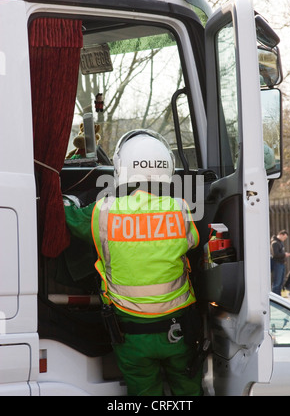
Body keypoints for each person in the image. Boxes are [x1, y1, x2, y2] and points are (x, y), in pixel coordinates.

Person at [64, 129, 203, 396]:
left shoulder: (103, 211)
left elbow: (68, 217)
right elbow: (197, 244)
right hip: (179, 331)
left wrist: (67, 200)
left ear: (120, 168)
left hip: (130, 336)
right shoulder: (181, 209)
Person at [270, 230, 290, 295]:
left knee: (280, 282)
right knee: (277, 282)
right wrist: (284, 255)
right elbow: (275, 254)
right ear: (281, 235)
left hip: (281, 264)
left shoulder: (280, 243)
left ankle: (278, 296)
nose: (285, 239)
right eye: (284, 237)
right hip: (277, 264)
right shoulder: (275, 243)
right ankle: (275, 297)